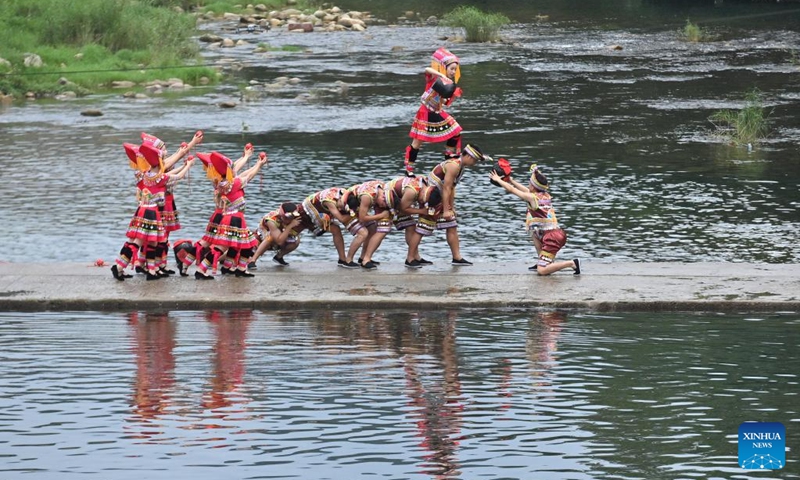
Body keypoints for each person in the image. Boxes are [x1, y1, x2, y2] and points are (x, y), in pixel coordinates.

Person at [111, 142, 197, 281]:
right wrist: (187, 166)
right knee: (138, 242)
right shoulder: (160, 178)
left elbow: (169, 173)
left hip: (142, 210)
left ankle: (151, 270)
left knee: (152, 242)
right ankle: (119, 266)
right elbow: (178, 176)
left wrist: (183, 162)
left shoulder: (146, 174)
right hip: (151, 212)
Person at [406, 143, 489, 267]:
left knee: (452, 225)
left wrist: (451, 207)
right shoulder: (453, 166)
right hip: (431, 197)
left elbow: (451, 188)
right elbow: (446, 188)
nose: (475, 163)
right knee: (422, 229)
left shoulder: (460, 166)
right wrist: (446, 209)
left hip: (440, 196)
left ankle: (457, 257)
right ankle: (410, 258)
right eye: (476, 160)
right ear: (470, 157)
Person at [489, 163, 581, 275]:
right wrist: (511, 180)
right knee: (534, 233)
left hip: (553, 237)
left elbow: (512, 190)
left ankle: (572, 263)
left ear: (533, 187)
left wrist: (498, 180)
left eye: (530, 183)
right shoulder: (543, 194)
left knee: (541, 271)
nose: (528, 185)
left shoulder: (532, 198)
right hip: (548, 232)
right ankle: (542, 261)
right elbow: (524, 190)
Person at [195, 151, 268, 279]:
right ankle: (201, 269)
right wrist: (259, 165)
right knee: (223, 247)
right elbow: (249, 175)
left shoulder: (220, 182)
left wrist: (252, 160)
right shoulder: (234, 183)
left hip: (231, 217)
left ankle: (237, 268)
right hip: (234, 219)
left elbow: (242, 172)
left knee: (248, 243)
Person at [358, 176, 443, 269]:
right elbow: (404, 209)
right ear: (424, 193)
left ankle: (415, 257)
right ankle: (366, 259)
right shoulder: (412, 191)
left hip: (399, 201)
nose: (422, 201)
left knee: (411, 227)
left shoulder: (427, 184)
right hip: (386, 201)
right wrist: (421, 211)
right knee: (383, 230)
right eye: (423, 200)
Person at [404, 47, 463, 177]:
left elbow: (442, 102)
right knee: (417, 142)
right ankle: (409, 169)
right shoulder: (434, 78)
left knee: (456, 130)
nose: (453, 72)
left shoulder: (449, 85)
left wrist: (448, 98)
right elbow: (427, 69)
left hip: (436, 111)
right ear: (444, 68)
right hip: (425, 112)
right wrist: (441, 75)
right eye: (451, 69)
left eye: (455, 70)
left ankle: (449, 154)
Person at [302, 187, 366, 268]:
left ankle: (343, 260)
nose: (340, 209)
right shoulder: (329, 201)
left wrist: (356, 212)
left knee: (339, 226)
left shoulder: (347, 195)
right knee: (335, 229)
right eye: (341, 207)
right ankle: (316, 227)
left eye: (342, 208)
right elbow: (341, 218)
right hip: (312, 206)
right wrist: (355, 213)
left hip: (328, 202)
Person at [251, 202, 305, 266]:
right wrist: (290, 226)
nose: (290, 219)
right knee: (270, 237)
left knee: (296, 240)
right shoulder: (271, 220)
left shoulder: (294, 218)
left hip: (280, 234)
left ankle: (279, 257)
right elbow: (279, 241)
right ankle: (253, 260)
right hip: (262, 236)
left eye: (292, 217)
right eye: (287, 217)